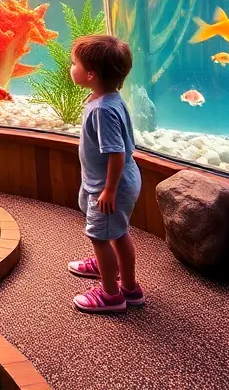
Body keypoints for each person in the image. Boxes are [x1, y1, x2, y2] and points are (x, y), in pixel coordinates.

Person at [66, 34, 145, 313]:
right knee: (116, 233)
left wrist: (109, 190)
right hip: (114, 182)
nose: (70, 67)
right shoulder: (108, 97)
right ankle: (124, 283)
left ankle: (112, 294)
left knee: (104, 237)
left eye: (74, 63)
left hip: (112, 186)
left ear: (90, 74)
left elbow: (116, 152)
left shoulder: (103, 109)